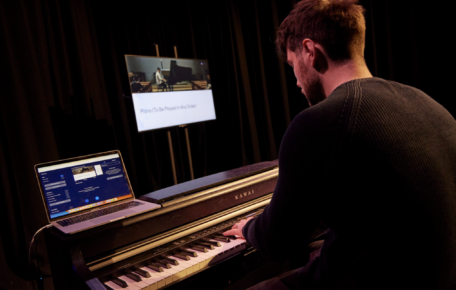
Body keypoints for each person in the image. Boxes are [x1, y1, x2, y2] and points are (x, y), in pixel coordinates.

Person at [223, 0, 456, 289]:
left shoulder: (319, 122)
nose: (296, 81)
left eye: (293, 65)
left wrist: (249, 227)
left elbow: (277, 242)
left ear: (310, 51)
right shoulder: (428, 104)